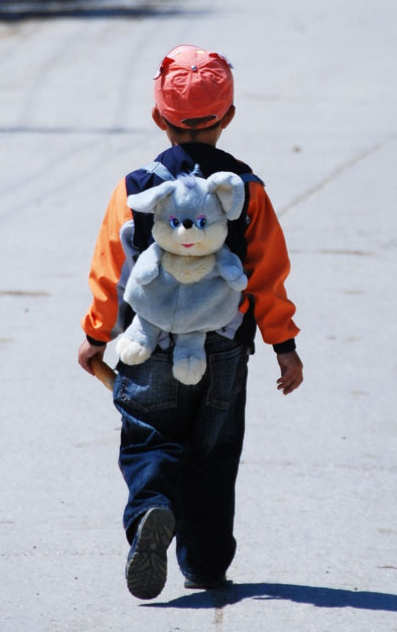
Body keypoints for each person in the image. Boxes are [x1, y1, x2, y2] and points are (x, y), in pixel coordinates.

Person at [78, 44, 303, 600]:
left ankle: (152, 508)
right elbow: (267, 273)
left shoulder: (137, 189)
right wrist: (284, 344)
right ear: (229, 116)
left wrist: (95, 335)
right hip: (222, 348)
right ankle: (203, 564)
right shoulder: (246, 191)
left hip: (149, 344)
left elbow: (111, 268)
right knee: (214, 454)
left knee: (149, 438)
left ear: (159, 118)